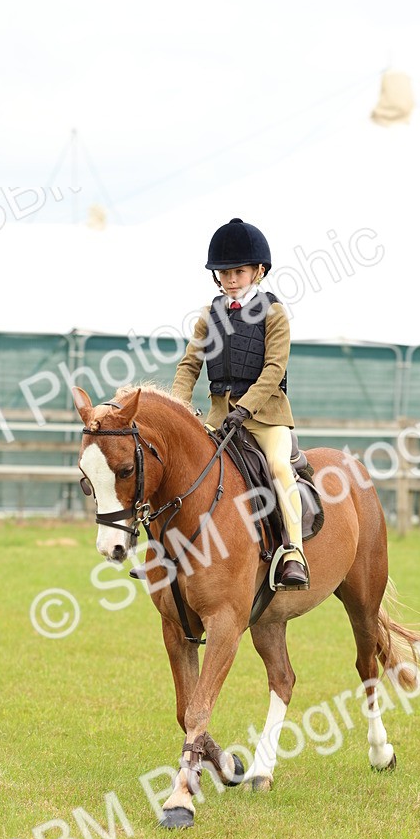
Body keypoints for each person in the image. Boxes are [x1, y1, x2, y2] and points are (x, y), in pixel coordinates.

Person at [170, 217, 308, 588]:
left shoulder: (274, 313)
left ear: (258, 271)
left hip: (265, 416)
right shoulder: (209, 316)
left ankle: (293, 553)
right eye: (224, 273)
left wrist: (245, 408)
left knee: (279, 467)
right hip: (219, 417)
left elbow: (274, 368)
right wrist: (178, 406)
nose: (231, 280)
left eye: (239, 272)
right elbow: (189, 365)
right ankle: (172, 554)